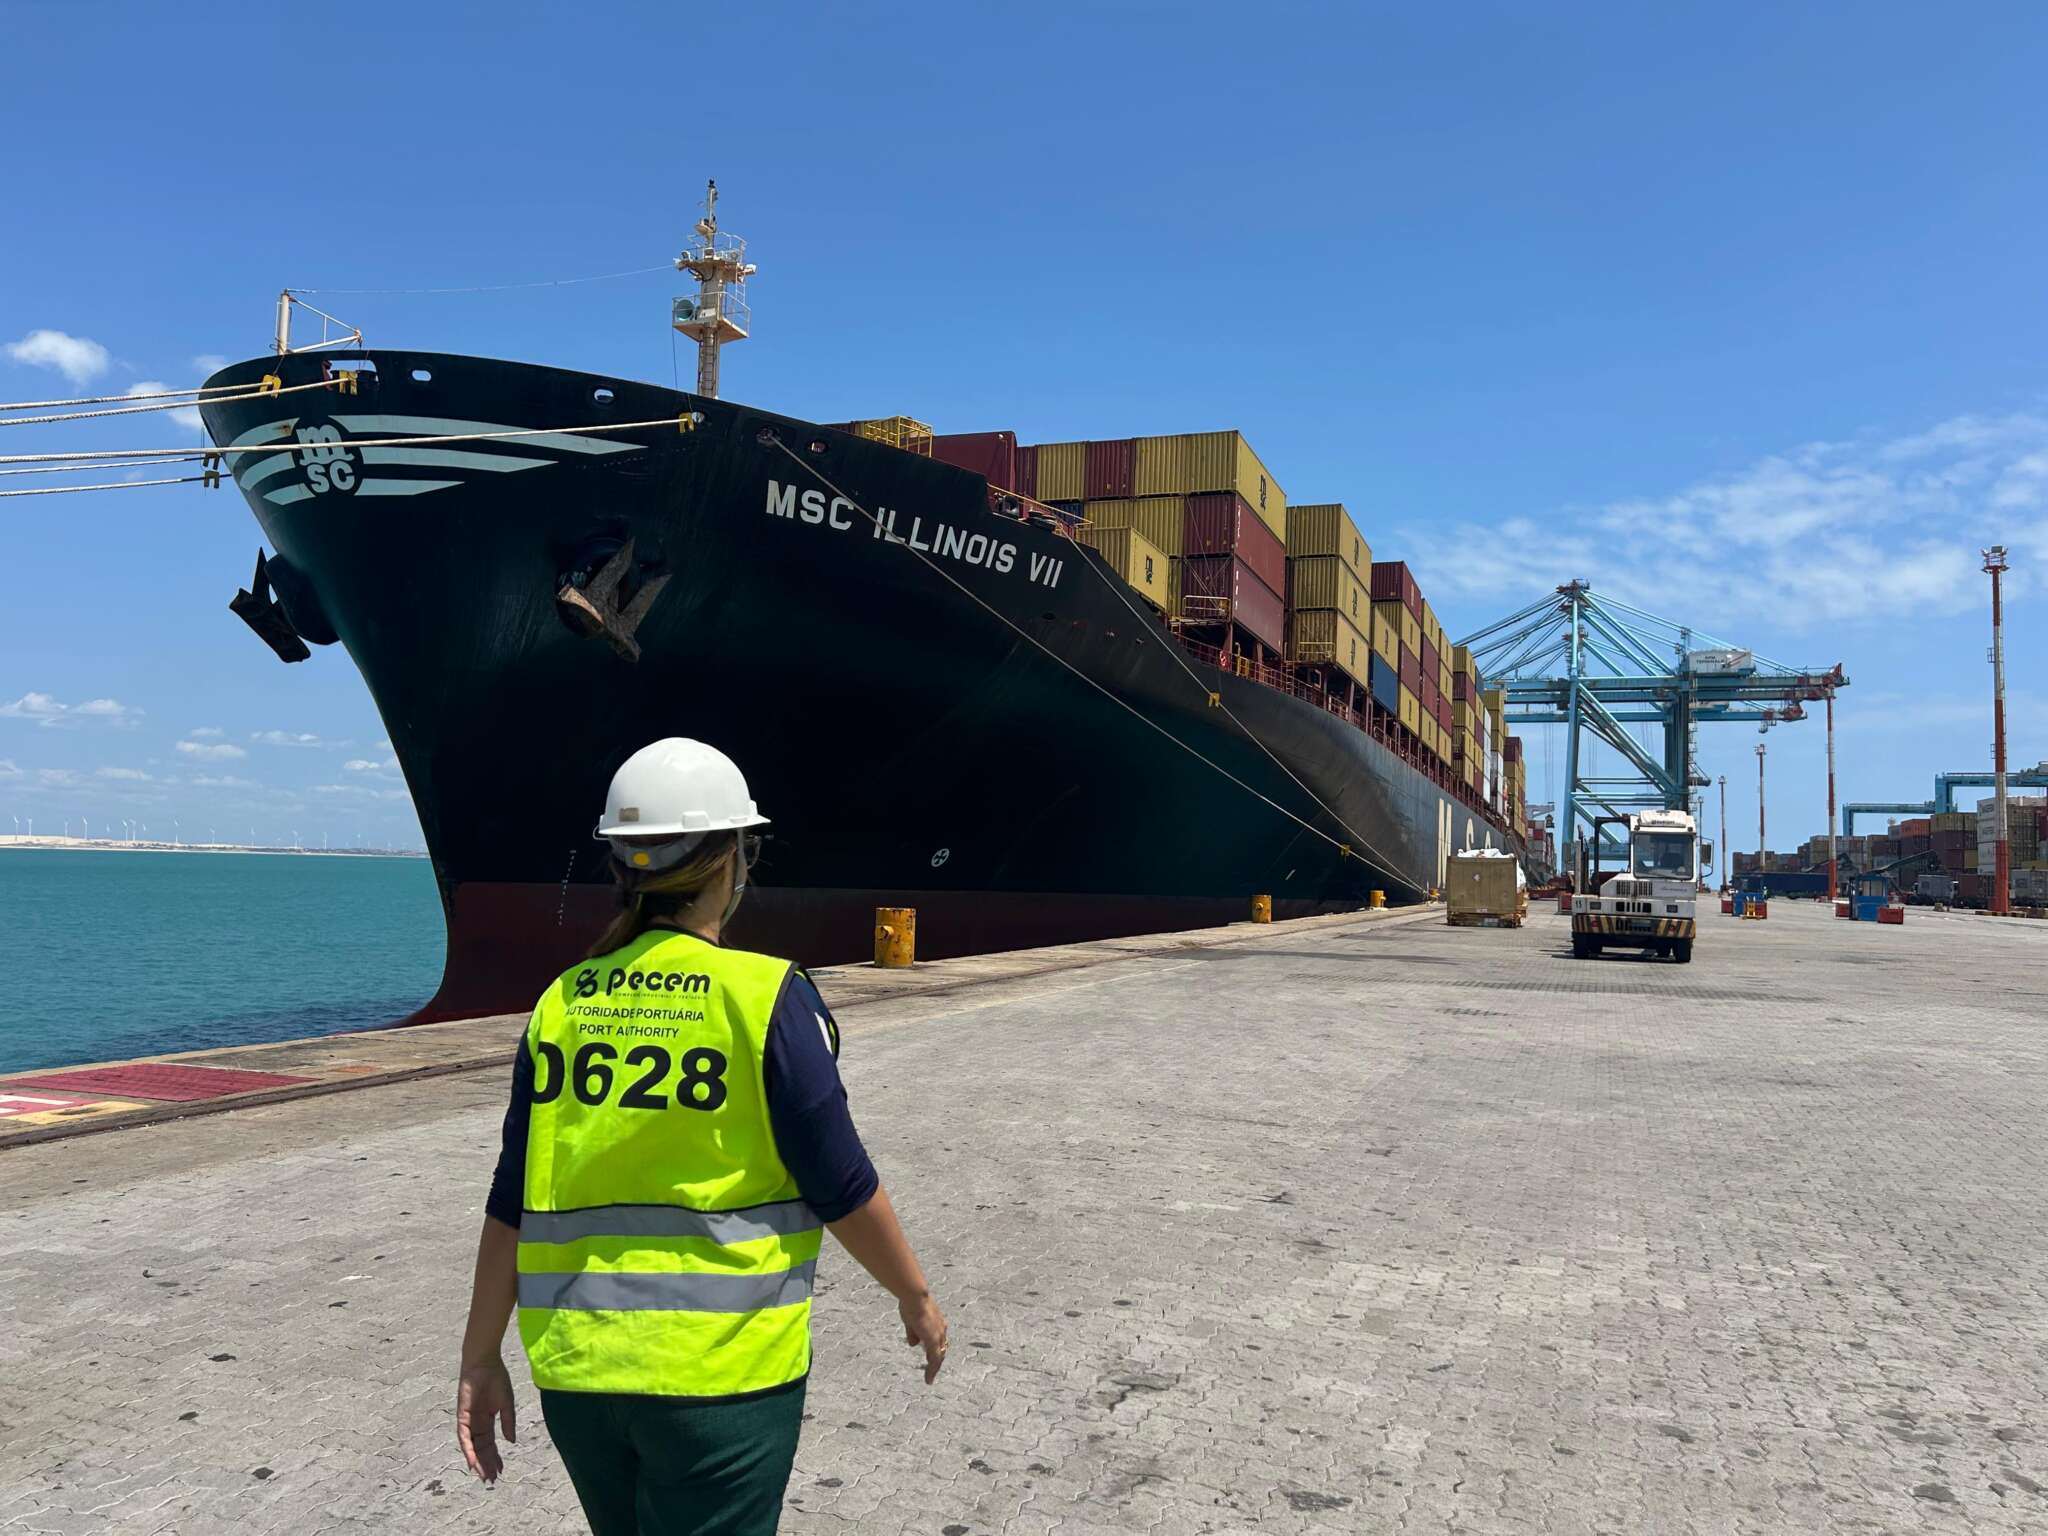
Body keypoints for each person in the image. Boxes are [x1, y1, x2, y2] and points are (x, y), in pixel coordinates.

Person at [454, 738, 947, 1534]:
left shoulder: (561, 1004)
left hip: (579, 1378)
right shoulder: (765, 998)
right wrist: (914, 1295)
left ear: (623, 866)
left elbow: (511, 1201)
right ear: (732, 861)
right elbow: (842, 1186)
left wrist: (480, 1357)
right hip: (722, 1383)